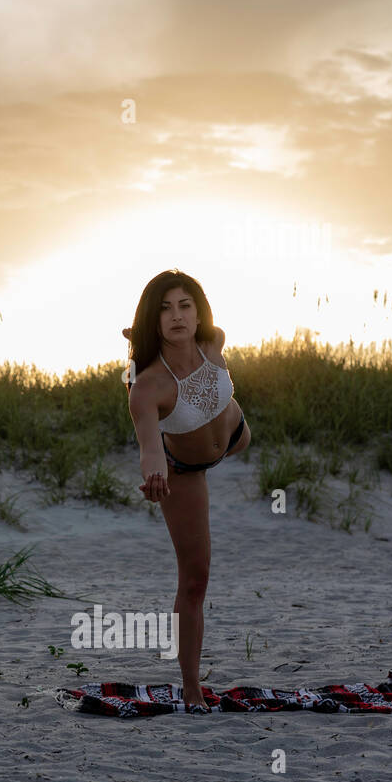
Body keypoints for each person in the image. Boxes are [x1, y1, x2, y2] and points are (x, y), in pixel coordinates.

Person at [123, 270, 251, 712]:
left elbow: (215, 335)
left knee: (216, 397)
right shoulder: (146, 387)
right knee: (195, 579)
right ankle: (192, 685)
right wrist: (155, 473)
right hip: (184, 468)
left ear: (198, 314)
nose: (176, 316)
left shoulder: (212, 341)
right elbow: (149, 448)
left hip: (235, 436)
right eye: (164, 309)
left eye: (184, 306)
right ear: (152, 320)